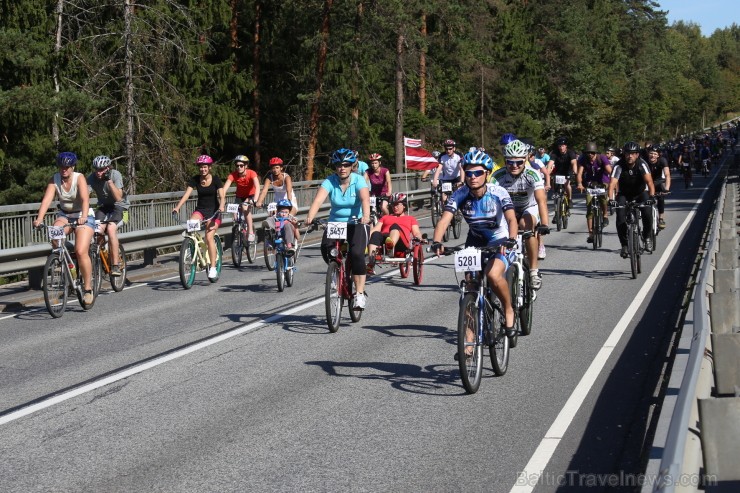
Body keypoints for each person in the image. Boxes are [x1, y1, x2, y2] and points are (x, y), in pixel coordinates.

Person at [431, 150, 519, 346]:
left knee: (494, 275)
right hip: (475, 241)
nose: (472, 178)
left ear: (487, 174)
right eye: (468, 173)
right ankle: (469, 342)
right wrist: (437, 241)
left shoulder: (498, 192)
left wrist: (511, 239)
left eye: (477, 173)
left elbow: (512, 219)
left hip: (500, 240)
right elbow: (445, 220)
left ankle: (508, 309)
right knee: (470, 288)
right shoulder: (460, 194)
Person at [305, 148, 371, 309]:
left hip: (357, 222)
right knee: (325, 248)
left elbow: (365, 199)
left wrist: (366, 216)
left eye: (346, 165)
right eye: (338, 165)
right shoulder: (330, 181)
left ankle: (360, 294)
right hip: (336, 223)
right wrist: (310, 217)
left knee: (356, 255)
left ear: (351, 165)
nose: (342, 168)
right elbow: (318, 200)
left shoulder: (358, 180)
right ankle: (336, 271)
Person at [33, 152, 96, 305]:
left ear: (72, 167)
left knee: (81, 251)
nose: (64, 170)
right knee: (55, 236)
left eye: (67, 167)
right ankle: (65, 260)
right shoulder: (54, 179)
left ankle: (88, 289)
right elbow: (47, 200)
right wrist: (39, 218)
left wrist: (84, 216)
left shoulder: (79, 177)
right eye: (62, 167)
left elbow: (85, 199)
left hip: (83, 214)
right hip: (65, 215)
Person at [491, 140, 549, 289]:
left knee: (526, 226)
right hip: (507, 210)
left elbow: (541, 200)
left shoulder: (533, 174)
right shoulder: (498, 176)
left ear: (525, 159)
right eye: (510, 162)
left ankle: (534, 271)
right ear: (505, 161)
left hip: (528, 207)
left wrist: (545, 224)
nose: (514, 166)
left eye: (519, 162)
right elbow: (490, 201)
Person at [172, 155, 225, 280]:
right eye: (201, 167)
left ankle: (212, 267)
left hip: (214, 211)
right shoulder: (195, 179)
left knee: (208, 236)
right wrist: (177, 207)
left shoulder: (216, 179)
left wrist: (222, 206)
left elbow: (222, 196)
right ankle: (192, 248)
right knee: (191, 224)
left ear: (209, 168)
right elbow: (186, 195)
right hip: (200, 210)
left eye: (205, 167)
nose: (203, 169)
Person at [607, 142, 656, 257]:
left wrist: (652, 197)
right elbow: (612, 184)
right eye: (628, 153)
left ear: (637, 155)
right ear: (624, 154)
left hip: (640, 193)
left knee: (647, 212)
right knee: (620, 217)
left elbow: (650, 182)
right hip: (624, 194)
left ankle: (647, 236)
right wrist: (611, 199)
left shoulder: (642, 164)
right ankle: (624, 245)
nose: (630, 156)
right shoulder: (619, 165)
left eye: (633, 154)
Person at [87, 155, 128, 277]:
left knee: (110, 229)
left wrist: (109, 181)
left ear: (108, 168)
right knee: (96, 230)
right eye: (96, 169)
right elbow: (85, 194)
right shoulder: (92, 178)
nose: (98, 173)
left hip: (121, 207)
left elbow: (118, 197)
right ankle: (103, 252)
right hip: (104, 207)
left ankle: (115, 265)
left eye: (101, 170)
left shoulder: (115, 175)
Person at [366, 193, 422, 275]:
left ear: (404, 206)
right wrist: (365, 237)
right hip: (385, 239)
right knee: (375, 234)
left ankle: (390, 249)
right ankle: (371, 263)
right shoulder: (385, 217)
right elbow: (375, 230)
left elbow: (416, 232)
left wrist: (418, 238)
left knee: (395, 227)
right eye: (393, 205)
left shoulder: (410, 218)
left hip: (401, 242)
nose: (395, 207)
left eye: (397, 205)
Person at [576, 142, 613, 243]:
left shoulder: (602, 158)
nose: (590, 155)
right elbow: (579, 173)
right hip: (590, 183)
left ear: (595, 152)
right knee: (589, 208)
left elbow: (610, 171)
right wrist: (579, 183)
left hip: (603, 181)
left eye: (592, 153)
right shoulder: (583, 159)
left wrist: (614, 182)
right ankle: (591, 234)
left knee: (603, 199)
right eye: (588, 153)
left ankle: (605, 214)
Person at [223, 154, 260, 241]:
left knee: (244, 207)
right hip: (239, 196)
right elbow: (224, 189)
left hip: (251, 195)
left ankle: (250, 231)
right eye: (237, 165)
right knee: (235, 215)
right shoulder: (233, 175)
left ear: (246, 166)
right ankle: (239, 230)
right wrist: (222, 199)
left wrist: (255, 199)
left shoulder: (251, 173)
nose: (239, 167)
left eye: (241, 165)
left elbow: (257, 186)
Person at [548, 136, 578, 208]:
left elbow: (574, 163)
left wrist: (575, 172)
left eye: (563, 146)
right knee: (554, 183)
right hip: (559, 171)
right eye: (560, 146)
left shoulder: (570, 153)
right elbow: (550, 164)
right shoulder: (555, 153)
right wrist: (547, 173)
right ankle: (557, 207)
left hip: (568, 171)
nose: (561, 148)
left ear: (566, 146)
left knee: (567, 184)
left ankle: (570, 199)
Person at [646, 145, 671, 229]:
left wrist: (667, 188)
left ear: (658, 155)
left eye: (655, 154)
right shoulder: (644, 161)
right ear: (648, 154)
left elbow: (667, 175)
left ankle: (661, 218)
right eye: (651, 153)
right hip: (646, 182)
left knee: (661, 197)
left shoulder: (662, 161)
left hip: (658, 181)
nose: (653, 155)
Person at [432, 139, 464, 204]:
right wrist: (435, 180)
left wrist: (462, 181)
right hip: (446, 179)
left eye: (450, 149)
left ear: (454, 148)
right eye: (446, 149)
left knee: (459, 195)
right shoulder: (442, 156)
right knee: (444, 199)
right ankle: (444, 211)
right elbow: (439, 168)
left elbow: (461, 169)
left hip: (456, 178)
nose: (448, 151)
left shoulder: (459, 156)